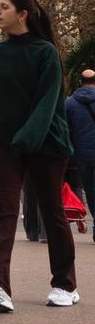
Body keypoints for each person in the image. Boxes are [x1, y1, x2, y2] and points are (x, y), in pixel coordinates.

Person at [0, 0, 78, 312]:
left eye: (3, 7)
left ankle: (64, 284)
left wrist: (25, 138)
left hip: (47, 143)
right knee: (4, 210)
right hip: (6, 143)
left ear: (22, 14)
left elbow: (47, 103)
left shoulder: (46, 52)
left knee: (52, 213)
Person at [65, 68, 95, 240]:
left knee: (90, 191)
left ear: (80, 82)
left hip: (82, 155)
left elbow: (66, 131)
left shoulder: (69, 103)